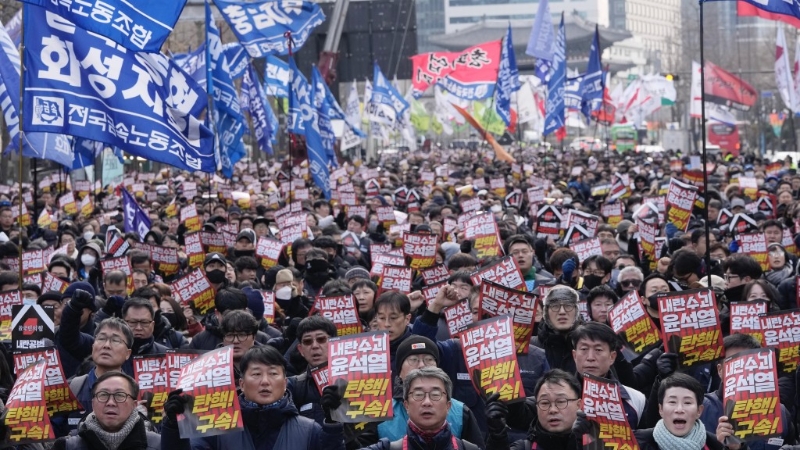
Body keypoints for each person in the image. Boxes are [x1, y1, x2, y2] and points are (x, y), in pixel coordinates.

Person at [161, 346, 346, 450]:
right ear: (241, 384)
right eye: (256, 374)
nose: (265, 382)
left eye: (273, 374)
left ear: (284, 382)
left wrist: (332, 424)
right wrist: (172, 426)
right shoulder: (216, 430)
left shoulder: (309, 430)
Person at [372, 337, 484, 445]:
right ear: (400, 371)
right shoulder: (380, 412)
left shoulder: (461, 412)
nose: (421, 365)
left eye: (429, 359)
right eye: (413, 360)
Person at [358, 367, 482, 450]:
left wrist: (499, 437)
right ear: (406, 405)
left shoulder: (468, 448)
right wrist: (338, 427)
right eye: (418, 395)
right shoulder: (386, 448)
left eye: (435, 395)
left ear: (448, 406)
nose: (427, 402)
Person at [485, 369, 589, 450]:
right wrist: (497, 438)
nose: (553, 410)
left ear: (579, 404)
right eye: (544, 403)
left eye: (561, 402)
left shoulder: (597, 444)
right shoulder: (523, 447)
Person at [54, 371, 160, 450]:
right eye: (103, 395)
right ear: (93, 403)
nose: (110, 402)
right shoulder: (67, 446)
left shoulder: (159, 444)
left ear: (134, 404)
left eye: (120, 395)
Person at [633, 373, 723, 450]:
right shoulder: (637, 442)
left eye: (687, 402)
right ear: (661, 409)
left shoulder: (715, 445)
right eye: (672, 402)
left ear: (699, 411)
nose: (679, 409)